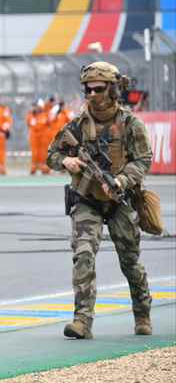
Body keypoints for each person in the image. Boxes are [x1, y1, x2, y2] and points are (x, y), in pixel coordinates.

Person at [46, 61, 153, 340]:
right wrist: (66, 160)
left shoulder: (130, 123)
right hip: (87, 199)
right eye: (87, 89)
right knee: (83, 255)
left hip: (120, 200)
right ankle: (82, 321)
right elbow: (51, 154)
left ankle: (142, 312)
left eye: (98, 89)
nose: (91, 94)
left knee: (130, 261)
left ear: (112, 89)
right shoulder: (77, 125)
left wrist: (122, 180)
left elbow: (143, 159)